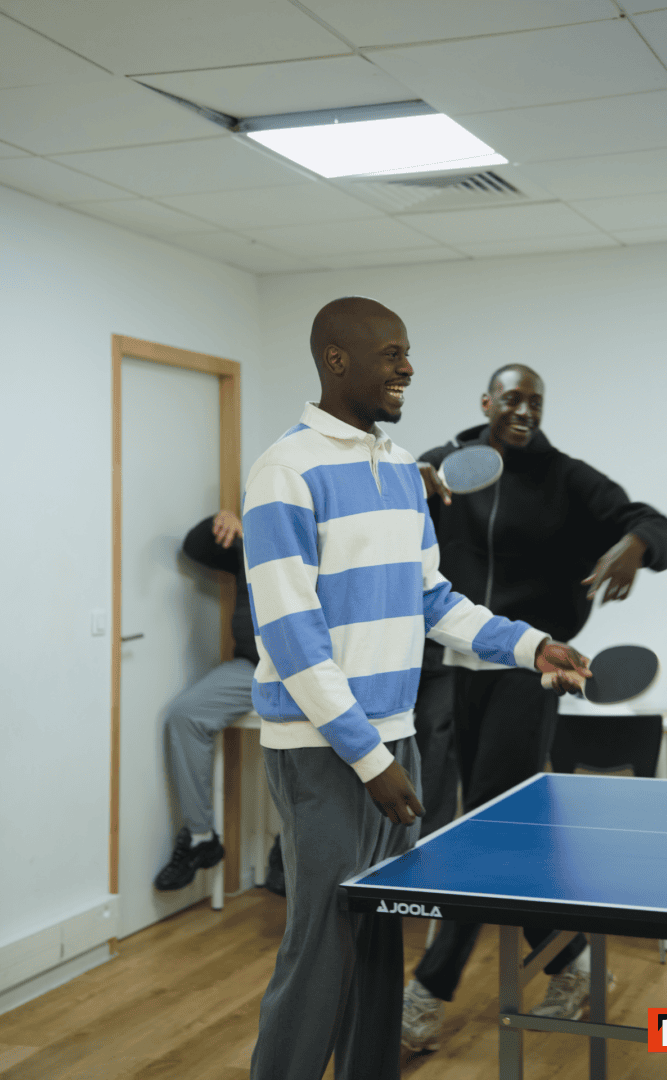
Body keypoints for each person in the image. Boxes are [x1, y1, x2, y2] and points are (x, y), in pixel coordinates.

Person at [242, 299, 591, 1080]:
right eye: (391, 353)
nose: (407, 367)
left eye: (408, 353)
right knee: (320, 946)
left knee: (377, 939)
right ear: (337, 360)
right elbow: (292, 639)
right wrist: (370, 759)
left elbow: (432, 598)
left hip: (392, 738)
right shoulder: (283, 472)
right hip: (324, 751)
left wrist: (530, 645)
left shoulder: (399, 468)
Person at [401, 363, 667, 1051]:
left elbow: (655, 523)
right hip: (458, 664)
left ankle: (427, 992)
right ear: (487, 402)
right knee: (512, 835)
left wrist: (635, 546)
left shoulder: (568, 478)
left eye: (536, 401)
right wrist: (411, 482)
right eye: (512, 399)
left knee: (481, 828)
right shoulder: (446, 465)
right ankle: (575, 964)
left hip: (533, 668)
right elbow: (391, 506)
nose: (525, 411)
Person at [154, 510, 258, 891]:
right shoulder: (253, 542)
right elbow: (195, 548)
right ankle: (201, 837)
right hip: (254, 668)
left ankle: (289, 851)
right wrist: (222, 519)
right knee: (184, 715)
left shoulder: (322, 541)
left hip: (311, 672)